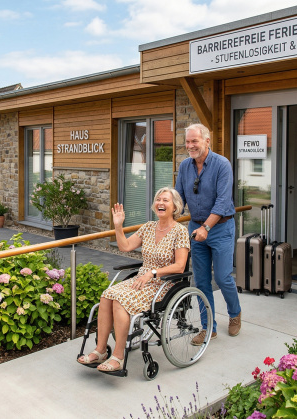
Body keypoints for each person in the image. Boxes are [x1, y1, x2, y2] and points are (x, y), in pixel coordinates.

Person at [77, 187, 190, 372]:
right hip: (142, 279)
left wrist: (152, 273)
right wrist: (118, 225)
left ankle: (118, 357)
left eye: (165, 200)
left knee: (121, 301)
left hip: (163, 284)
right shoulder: (148, 227)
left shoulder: (180, 231)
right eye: (158, 199)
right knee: (107, 295)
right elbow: (125, 246)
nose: (160, 203)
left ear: (175, 206)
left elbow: (180, 266)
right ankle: (100, 351)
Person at [174, 123, 241, 345]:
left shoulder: (222, 164)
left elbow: (223, 202)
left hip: (220, 228)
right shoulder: (185, 166)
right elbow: (179, 199)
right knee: (201, 281)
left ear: (207, 141)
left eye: (195, 141)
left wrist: (206, 228)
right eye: (188, 141)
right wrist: (167, 218)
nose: (190, 145)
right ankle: (208, 327)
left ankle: (234, 313)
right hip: (196, 229)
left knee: (222, 278)